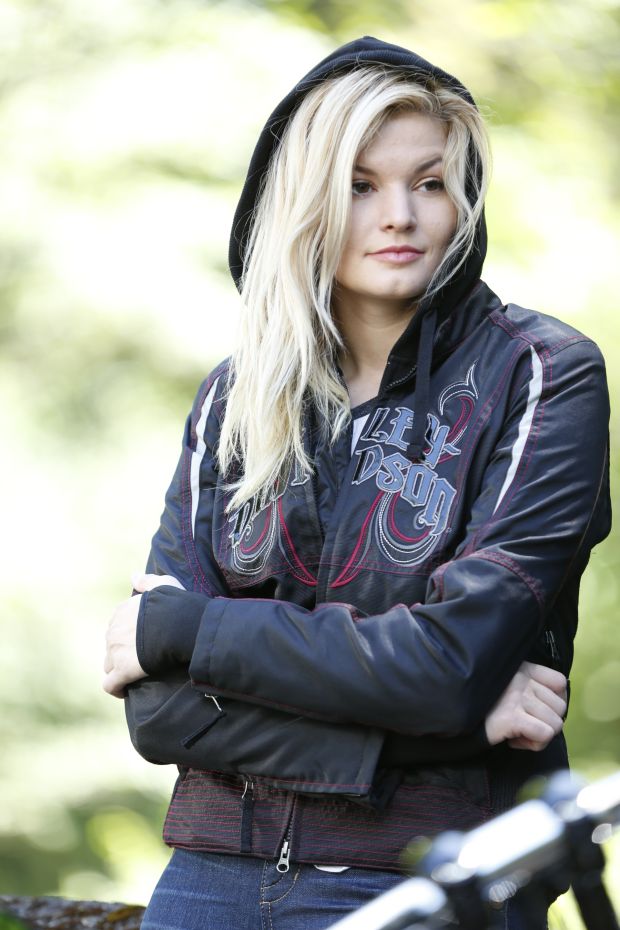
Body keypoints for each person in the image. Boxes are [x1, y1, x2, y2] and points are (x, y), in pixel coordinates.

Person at [103, 36, 611, 930]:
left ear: (464, 199)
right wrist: (458, 722)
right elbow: (161, 714)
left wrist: (188, 630)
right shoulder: (235, 396)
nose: (399, 216)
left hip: (432, 872)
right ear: (302, 202)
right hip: (211, 878)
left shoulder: (541, 374)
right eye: (359, 185)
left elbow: (448, 666)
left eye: (430, 183)